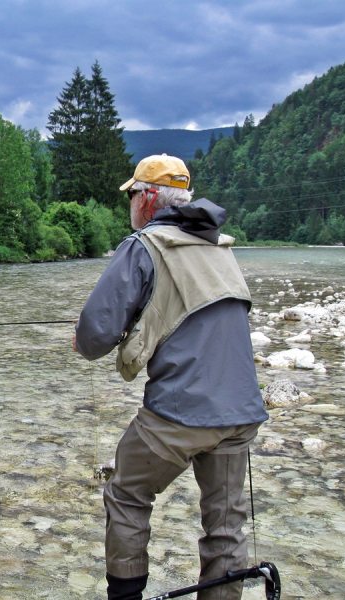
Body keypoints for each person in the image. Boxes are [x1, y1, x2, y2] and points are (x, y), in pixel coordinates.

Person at [72, 154, 268, 600]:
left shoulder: (144, 246)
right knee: (226, 524)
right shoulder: (220, 249)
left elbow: (95, 335)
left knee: (126, 493)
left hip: (181, 414)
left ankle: (125, 597)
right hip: (241, 413)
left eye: (132, 195)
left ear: (146, 199)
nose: (130, 204)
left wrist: (81, 342)